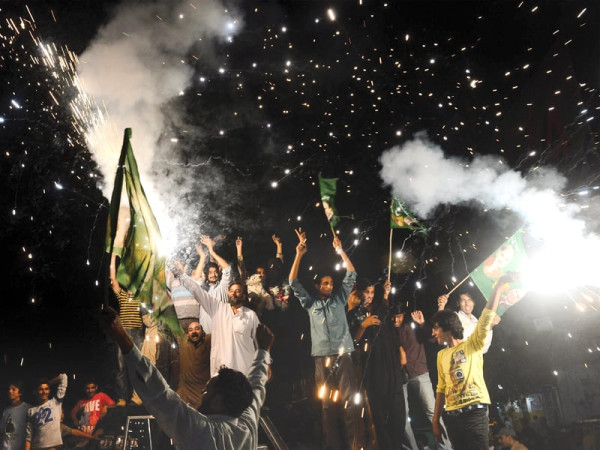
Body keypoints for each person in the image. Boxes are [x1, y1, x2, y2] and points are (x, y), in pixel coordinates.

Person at [100, 305, 274, 450]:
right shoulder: (247, 425)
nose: (203, 392)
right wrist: (263, 351)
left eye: (207, 390)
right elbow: (256, 383)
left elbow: (158, 391)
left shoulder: (202, 431)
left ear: (218, 400)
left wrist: (121, 335)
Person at [289, 228, 365, 450]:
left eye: (331, 283)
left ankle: (355, 445)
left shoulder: (340, 299)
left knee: (350, 402)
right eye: (325, 283)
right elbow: (293, 282)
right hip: (321, 357)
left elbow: (352, 273)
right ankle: (332, 445)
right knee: (326, 404)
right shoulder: (310, 303)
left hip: (343, 355)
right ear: (317, 286)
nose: (329, 286)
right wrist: (299, 254)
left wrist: (340, 250)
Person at [431, 273, 515, 450]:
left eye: (436, 328)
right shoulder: (441, 355)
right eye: (462, 300)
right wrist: (435, 420)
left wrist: (500, 285)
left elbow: (487, 315)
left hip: (475, 414)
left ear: (447, 328)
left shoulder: (473, 344)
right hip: (453, 418)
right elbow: (441, 388)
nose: (433, 333)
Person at [347, 278, 409, 450]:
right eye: (366, 292)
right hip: (372, 367)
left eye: (372, 292)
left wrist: (400, 349)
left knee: (398, 410)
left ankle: (397, 445)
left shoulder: (379, 308)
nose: (369, 295)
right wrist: (363, 325)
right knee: (379, 414)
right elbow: (353, 339)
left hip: (391, 364)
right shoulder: (355, 312)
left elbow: (391, 329)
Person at [175, 257, 259, 376]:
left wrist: (265, 363)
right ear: (228, 293)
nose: (234, 294)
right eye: (231, 291)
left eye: (238, 291)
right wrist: (182, 275)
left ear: (244, 295)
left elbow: (259, 341)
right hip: (222, 372)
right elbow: (198, 291)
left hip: (246, 371)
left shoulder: (250, 315)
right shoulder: (218, 309)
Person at [397, 309, 452, 450]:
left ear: (404, 315)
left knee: (433, 412)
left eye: (399, 316)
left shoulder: (412, 326)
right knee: (402, 418)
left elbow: (432, 338)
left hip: (419, 371)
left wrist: (422, 324)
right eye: (394, 317)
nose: (396, 320)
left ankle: (445, 447)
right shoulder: (390, 330)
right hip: (399, 376)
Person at [25, 374, 68, 450]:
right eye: (41, 389)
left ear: (49, 390)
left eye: (46, 389)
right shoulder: (31, 411)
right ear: (35, 392)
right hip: (36, 447)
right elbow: (28, 436)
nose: (44, 392)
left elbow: (63, 377)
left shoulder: (56, 402)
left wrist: (49, 382)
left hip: (52, 446)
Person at [176, 321, 211, 409]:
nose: (194, 332)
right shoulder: (184, 342)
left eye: (197, 329)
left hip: (201, 392)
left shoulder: (208, 341)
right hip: (185, 392)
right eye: (190, 330)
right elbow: (174, 325)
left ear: (202, 331)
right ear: (188, 334)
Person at [194, 235, 232, 304]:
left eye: (215, 272)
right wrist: (202, 256)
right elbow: (197, 279)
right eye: (210, 272)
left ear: (219, 273)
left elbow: (227, 268)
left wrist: (211, 251)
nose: (213, 275)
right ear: (205, 275)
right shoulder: (204, 288)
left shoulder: (223, 286)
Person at [1, 381, 31, 450]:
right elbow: (2, 430)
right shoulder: (6, 410)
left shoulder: (28, 409)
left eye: (13, 389)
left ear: (20, 393)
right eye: (9, 389)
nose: (10, 391)